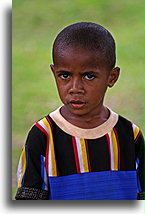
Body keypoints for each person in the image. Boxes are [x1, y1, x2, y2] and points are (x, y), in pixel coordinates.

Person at [15, 22, 144, 200]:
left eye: (89, 76)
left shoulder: (130, 135)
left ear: (112, 77)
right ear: (54, 73)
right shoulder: (43, 135)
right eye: (65, 75)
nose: (75, 88)